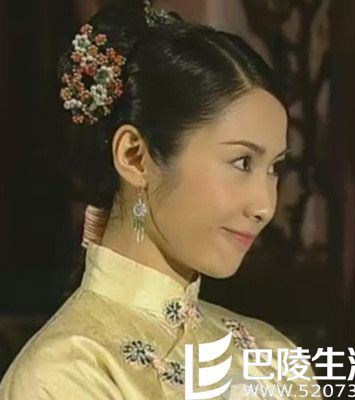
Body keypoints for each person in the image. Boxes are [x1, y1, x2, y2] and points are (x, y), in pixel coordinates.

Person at [0, 1, 322, 399]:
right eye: (241, 162)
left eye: (274, 168)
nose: (265, 206)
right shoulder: (66, 371)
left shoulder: (273, 355)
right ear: (135, 157)